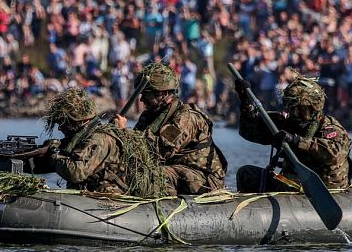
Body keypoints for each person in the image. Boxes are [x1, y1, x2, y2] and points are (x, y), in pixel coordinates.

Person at [113, 61, 227, 194]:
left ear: (163, 93)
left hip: (203, 179)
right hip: (175, 169)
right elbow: (135, 151)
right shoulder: (148, 116)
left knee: (152, 176)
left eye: (146, 93)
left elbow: (156, 151)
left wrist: (123, 132)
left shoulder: (186, 119)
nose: (142, 99)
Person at [31, 87, 167, 197]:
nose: (60, 128)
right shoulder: (81, 137)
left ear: (82, 121)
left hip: (106, 200)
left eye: (64, 122)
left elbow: (76, 172)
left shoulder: (100, 138)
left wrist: (54, 155)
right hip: (89, 198)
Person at [234, 74, 352, 192]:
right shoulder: (287, 123)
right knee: (246, 174)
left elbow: (335, 154)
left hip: (324, 188)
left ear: (314, 109)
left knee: (286, 185)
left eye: (302, 109)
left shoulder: (329, 127)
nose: (295, 113)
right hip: (292, 183)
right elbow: (248, 131)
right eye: (292, 107)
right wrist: (245, 102)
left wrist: (296, 141)